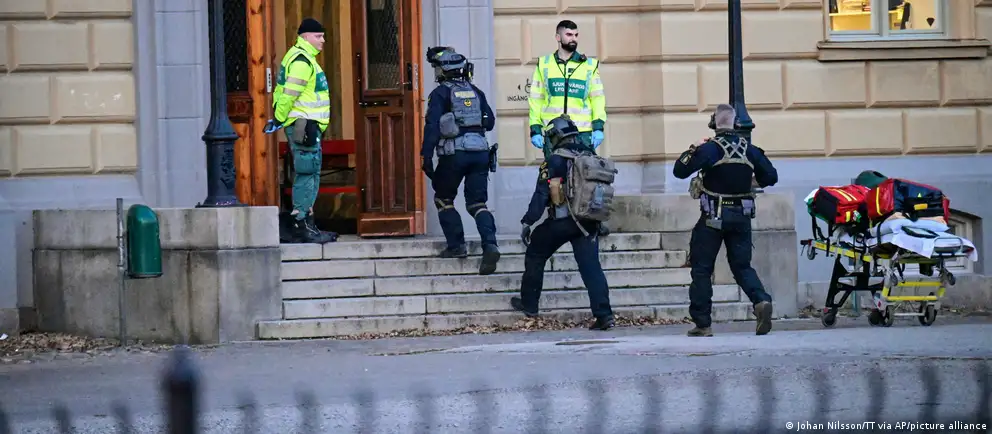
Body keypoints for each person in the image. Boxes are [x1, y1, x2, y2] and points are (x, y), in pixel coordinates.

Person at [673, 104, 778, 337]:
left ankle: (703, 324)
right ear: (735, 123)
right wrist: (751, 181)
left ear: (714, 124)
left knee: (702, 269)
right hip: (742, 217)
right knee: (742, 266)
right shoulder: (750, 150)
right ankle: (761, 300)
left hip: (713, 217)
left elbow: (679, 171)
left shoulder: (709, 149)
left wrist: (693, 148)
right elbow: (771, 176)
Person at [510, 115, 616, 331]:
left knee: (535, 253)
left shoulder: (555, 160)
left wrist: (528, 222)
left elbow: (541, 194)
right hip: (588, 222)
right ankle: (604, 315)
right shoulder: (590, 155)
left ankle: (529, 305)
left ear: (555, 136)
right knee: (591, 268)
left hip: (563, 221)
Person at [421, 46, 500, 275]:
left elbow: (432, 126)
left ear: (443, 71)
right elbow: (489, 122)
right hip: (481, 153)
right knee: (477, 204)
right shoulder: (476, 91)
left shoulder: (440, 93)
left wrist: (426, 155)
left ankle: (456, 246)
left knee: (443, 198)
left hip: (454, 154)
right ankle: (490, 245)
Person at [263, 18, 336, 244]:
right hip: (303, 125)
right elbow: (289, 95)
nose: (323, 40)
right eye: (318, 36)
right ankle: (301, 223)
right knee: (307, 172)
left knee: (310, 172)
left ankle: (307, 224)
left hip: (307, 125)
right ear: (305, 37)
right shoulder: (302, 61)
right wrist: (279, 118)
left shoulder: (304, 58)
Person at [527, 20, 607, 159]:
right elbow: (536, 99)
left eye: (576, 35)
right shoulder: (544, 64)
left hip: (582, 133)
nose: (573, 39)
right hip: (554, 132)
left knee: (583, 171)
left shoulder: (589, 65)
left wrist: (598, 127)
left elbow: (597, 99)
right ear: (558, 37)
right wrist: (535, 129)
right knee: (555, 172)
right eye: (569, 35)